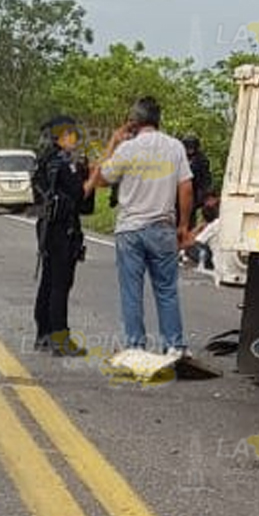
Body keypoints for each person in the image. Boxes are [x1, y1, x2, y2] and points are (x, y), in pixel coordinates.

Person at [85, 97, 194, 357]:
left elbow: (100, 180)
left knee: (131, 291)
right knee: (166, 289)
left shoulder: (128, 149)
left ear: (134, 122)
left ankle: (135, 346)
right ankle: (174, 346)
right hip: (163, 227)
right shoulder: (175, 147)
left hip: (130, 230)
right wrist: (184, 225)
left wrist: (113, 143)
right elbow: (186, 188)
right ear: (158, 119)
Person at [32, 116, 95, 356]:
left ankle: (43, 334)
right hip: (62, 229)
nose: (75, 140)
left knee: (48, 281)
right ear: (61, 137)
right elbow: (79, 194)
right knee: (60, 284)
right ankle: (60, 337)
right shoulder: (62, 162)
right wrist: (94, 176)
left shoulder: (45, 159)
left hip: (47, 227)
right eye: (72, 135)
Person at [181, 135, 211, 231]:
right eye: (188, 148)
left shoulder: (201, 160)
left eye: (192, 148)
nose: (190, 151)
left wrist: (203, 195)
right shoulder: (180, 158)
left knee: (190, 217)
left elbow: (205, 179)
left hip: (194, 192)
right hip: (180, 191)